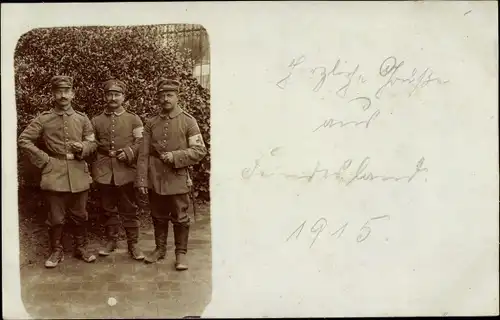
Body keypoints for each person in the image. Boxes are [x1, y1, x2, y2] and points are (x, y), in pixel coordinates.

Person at [18, 75, 98, 268]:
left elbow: (93, 142)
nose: (63, 95)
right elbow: (24, 140)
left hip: (78, 172)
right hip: (54, 173)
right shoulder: (44, 119)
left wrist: (84, 147)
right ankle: (56, 251)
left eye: (66, 91)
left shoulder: (82, 118)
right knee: (55, 217)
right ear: (53, 94)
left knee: (80, 214)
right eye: (59, 91)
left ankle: (81, 248)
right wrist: (45, 160)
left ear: (72, 94)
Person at [136, 78, 207, 270]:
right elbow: (143, 153)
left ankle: (180, 254)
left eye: (170, 95)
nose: (166, 99)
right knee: (158, 215)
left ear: (177, 97)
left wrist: (175, 156)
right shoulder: (151, 123)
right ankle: (159, 250)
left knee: (180, 217)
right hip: (155, 178)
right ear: (158, 98)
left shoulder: (188, 121)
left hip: (177, 177)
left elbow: (199, 151)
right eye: (162, 95)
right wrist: (142, 179)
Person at [91, 79, 145, 260]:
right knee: (108, 207)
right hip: (104, 169)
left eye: (117, 94)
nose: (113, 98)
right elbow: (92, 144)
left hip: (126, 170)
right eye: (110, 94)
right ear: (105, 96)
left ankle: (133, 244)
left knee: (129, 207)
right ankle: (111, 240)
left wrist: (129, 152)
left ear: (123, 97)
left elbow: (141, 142)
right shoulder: (96, 120)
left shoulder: (133, 119)